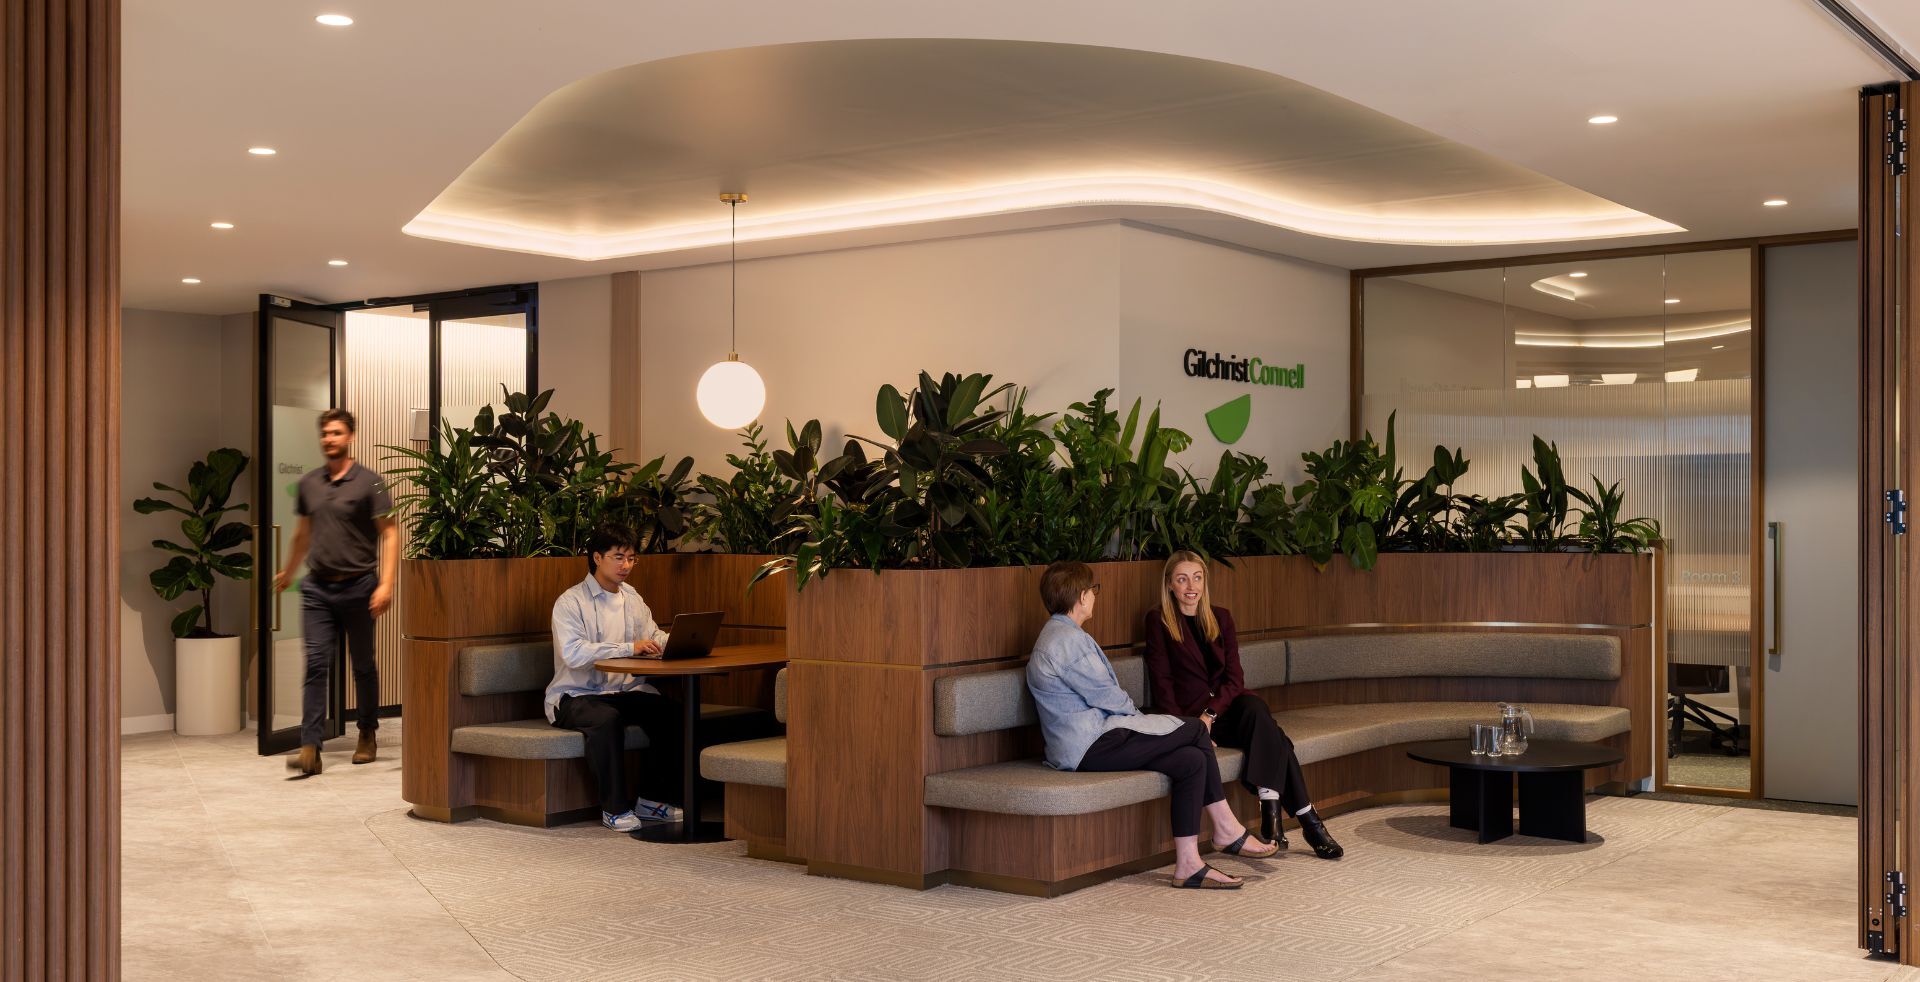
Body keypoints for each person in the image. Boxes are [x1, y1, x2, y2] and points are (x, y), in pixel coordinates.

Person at [1026, 560, 1277, 890]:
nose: (1094, 598)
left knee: (1190, 761)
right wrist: (1144, 721)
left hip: (1096, 740)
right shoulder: (1065, 640)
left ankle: (1188, 863)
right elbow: (1108, 697)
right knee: (1196, 730)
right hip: (1089, 746)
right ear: (1083, 596)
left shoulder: (1064, 634)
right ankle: (1226, 828)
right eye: (1094, 591)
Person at [1143, 550, 1344, 859]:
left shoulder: (1221, 617)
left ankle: (1275, 811)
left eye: (1197, 578)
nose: (1190, 586)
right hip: (1191, 717)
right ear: (1169, 584)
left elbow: (1235, 678)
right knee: (1276, 738)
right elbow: (1163, 684)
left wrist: (1211, 714)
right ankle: (1305, 820)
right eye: (1182, 579)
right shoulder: (1159, 621)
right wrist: (1193, 729)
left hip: (1227, 708)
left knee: (1255, 708)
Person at [274, 408, 398, 776]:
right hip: (317, 589)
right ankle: (311, 746)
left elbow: (389, 534)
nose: (330, 439)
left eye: (337, 433)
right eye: (326, 433)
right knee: (315, 664)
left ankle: (367, 733)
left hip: (360, 586)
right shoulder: (310, 483)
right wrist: (290, 571)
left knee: (362, 666)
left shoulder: (370, 483)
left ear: (351, 437)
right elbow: (302, 534)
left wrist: (387, 583)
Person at [548, 523, 686, 833]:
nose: (626, 566)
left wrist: (675, 641)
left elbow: (650, 635)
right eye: (619, 557)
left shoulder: (632, 598)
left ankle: (651, 800)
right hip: (576, 696)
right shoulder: (570, 603)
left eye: (632, 558)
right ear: (597, 557)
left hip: (623, 692)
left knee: (673, 714)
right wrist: (629, 647)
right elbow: (574, 654)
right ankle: (614, 808)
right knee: (605, 719)